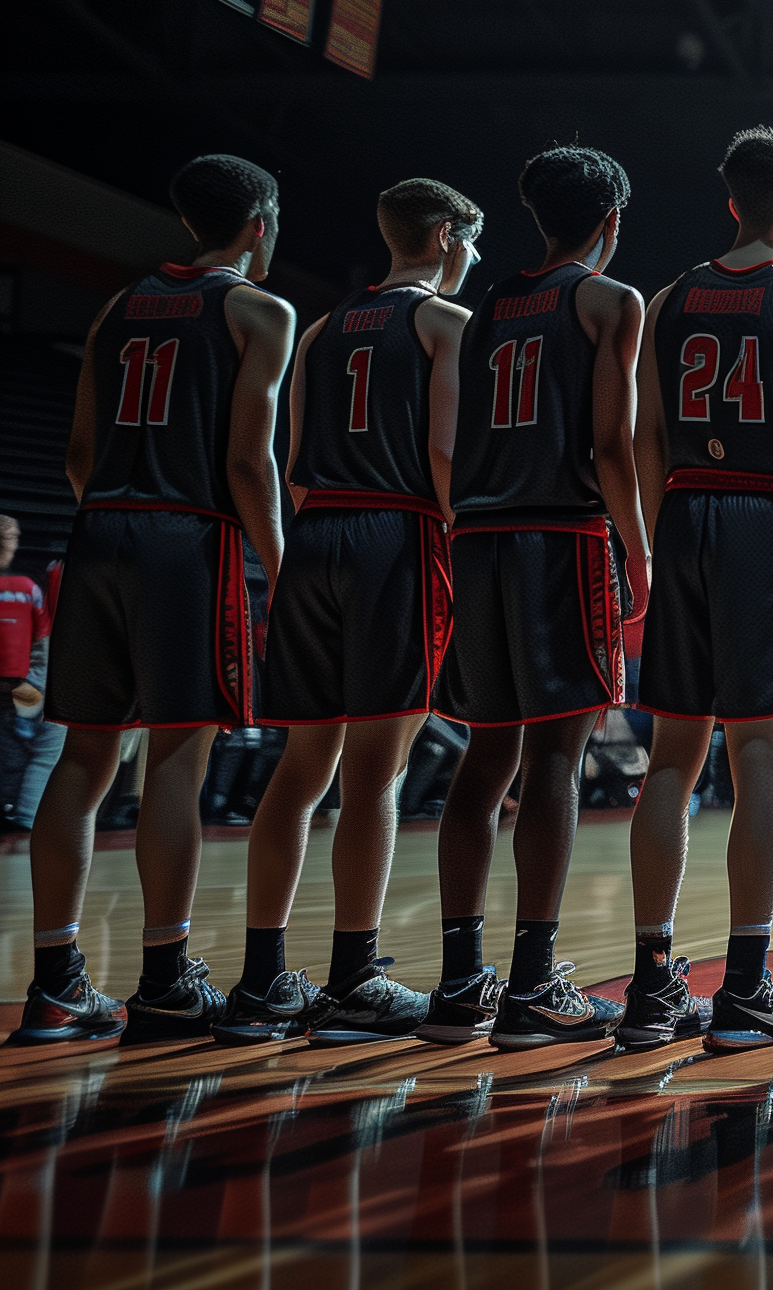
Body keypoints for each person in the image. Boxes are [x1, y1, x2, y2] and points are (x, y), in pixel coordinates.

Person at [14, 155, 294, 1045]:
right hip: (187, 539)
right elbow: (250, 462)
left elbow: (76, 457)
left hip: (97, 532)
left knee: (83, 762)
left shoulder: (117, 307)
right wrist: (280, 565)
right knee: (176, 759)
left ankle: (55, 984)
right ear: (259, 226)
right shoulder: (259, 310)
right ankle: (168, 978)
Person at [213, 179, 481, 1046]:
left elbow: (291, 466)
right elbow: (444, 450)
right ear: (445, 237)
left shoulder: (322, 329)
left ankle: (260, 981)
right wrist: (460, 536)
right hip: (393, 538)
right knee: (376, 775)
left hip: (316, 534)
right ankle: (356, 976)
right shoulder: (445, 324)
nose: (473, 261)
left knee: (300, 771)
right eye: (471, 245)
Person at [625, 126, 773, 1052]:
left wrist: (647, 544)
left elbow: (641, 440)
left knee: (673, 755)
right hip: (768, 514)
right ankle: (747, 987)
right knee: (763, 749)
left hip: (681, 513)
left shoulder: (666, 299)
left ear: (732, 203)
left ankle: (649, 986)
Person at [424, 145, 651, 1049]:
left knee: (485, 759)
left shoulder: (481, 312)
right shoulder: (609, 300)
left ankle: (456, 983)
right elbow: (610, 444)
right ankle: (531, 982)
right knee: (555, 760)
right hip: (560, 534)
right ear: (612, 220)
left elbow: (452, 443)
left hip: (476, 534)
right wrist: (638, 550)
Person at [0, 515, 53, 834]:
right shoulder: (27, 588)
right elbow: (41, 641)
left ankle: (9, 811)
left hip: (6, 689)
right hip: (26, 687)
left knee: (11, 756)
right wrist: (36, 683)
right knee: (45, 753)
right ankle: (25, 819)